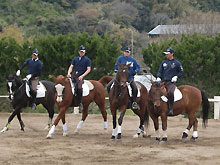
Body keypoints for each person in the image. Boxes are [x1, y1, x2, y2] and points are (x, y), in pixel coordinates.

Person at [156, 48, 184, 116]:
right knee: (155, 91)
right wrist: (158, 77)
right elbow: (160, 71)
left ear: (172, 54)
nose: (166, 55)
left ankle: (171, 109)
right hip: (163, 81)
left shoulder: (177, 63)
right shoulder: (164, 62)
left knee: (170, 93)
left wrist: (176, 76)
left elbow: (181, 72)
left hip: (170, 82)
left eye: (168, 54)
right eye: (166, 54)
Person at [67, 45, 91, 111]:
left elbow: (88, 69)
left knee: (79, 87)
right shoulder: (75, 59)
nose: (82, 53)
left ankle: (80, 102)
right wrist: (69, 73)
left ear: (85, 52)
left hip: (81, 75)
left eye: (83, 52)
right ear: (78, 52)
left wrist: (82, 76)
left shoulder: (87, 60)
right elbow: (71, 67)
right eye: (81, 52)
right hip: (74, 74)